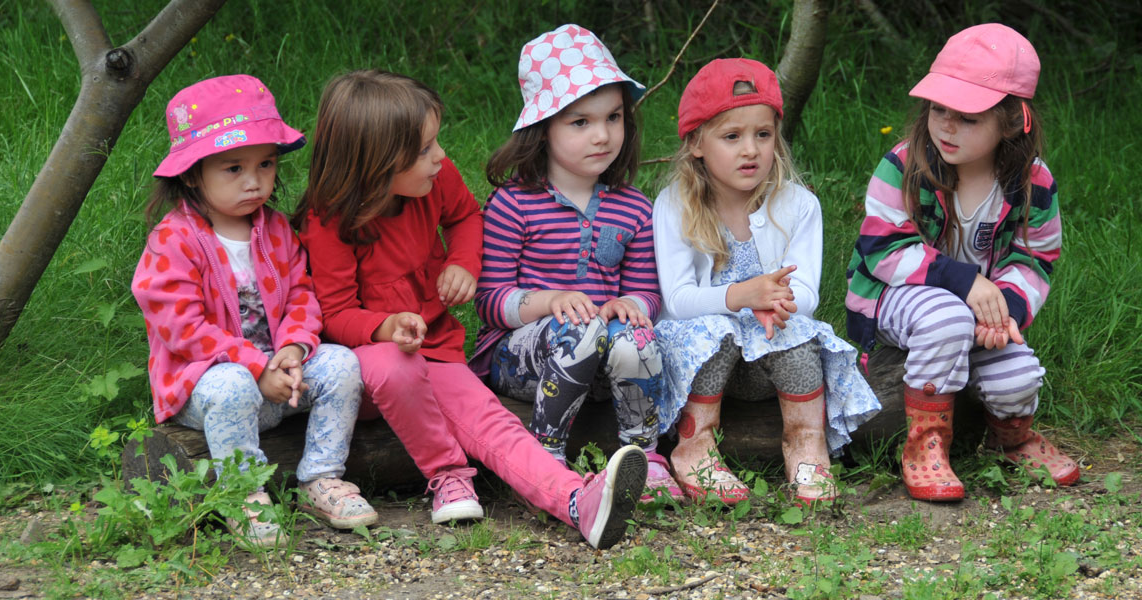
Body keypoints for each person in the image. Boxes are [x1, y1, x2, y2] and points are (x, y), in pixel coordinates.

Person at [293, 69, 645, 549]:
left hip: (433, 352)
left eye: (436, 142)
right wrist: (384, 326)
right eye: (423, 150)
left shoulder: (436, 180)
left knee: (490, 421)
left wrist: (461, 261)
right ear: (375, 165)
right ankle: (448, 472)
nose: (441, 156)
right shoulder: (329, 219)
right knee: (395, 365)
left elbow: (463, 217)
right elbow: (334, 314)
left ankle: (576, 500)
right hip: (364, 368)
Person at [132, 75, 377, 547]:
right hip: (206, 389)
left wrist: (291, 349)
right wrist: (255, 364)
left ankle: (321, 478)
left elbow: (303, 296)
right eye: (233, 169)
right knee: (230, 383)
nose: (255, 181)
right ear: (191, 173)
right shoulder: (174, 240)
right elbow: (181, 328)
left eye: (266, 164)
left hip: (280, 381)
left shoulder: (276, 230)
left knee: (343, 362)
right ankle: (242, 494)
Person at [845, 24, 1079, 502]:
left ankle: (1009, 438)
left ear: (1012, 122)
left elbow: (1035, 256)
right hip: (896, 298)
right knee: (946, 316)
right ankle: (925, 443)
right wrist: (967, 284)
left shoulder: (1033, 182)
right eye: (938, 109)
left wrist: (1006, 311)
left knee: (1019, 376)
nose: (946, 126)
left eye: (968, 118)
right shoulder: (905, 166)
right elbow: (884, 249)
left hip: (978, 307)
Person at [653, 59, 880, 505]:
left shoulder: (798, 205)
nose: (750, 150)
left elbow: (809, 292)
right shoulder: (676, 204)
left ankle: (806, 446)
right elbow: (677, 301)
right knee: (712, 330)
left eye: (763, 134)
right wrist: (743, 295)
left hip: (767, 355)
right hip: (703, 364)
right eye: (731, 136)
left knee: (800, 336)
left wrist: (778, 302)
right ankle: (695, 447)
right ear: (697, 142)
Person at [472, 24, 681, 501]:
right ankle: (546, 458)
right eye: (580, 122)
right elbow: (489, 300)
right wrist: (550, 301)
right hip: (522, 359)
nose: (603, 135)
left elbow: (648, 290)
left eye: (613, 117)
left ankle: (641, 454)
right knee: (576, 328)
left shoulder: (632, 208)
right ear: (543, 129)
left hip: (605, 359)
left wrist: (629, 304)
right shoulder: (513, 204)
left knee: (639, 335)